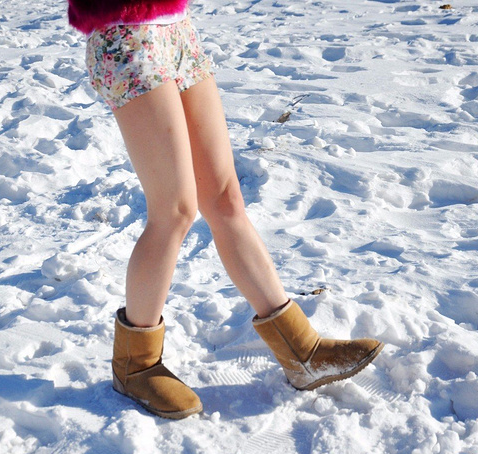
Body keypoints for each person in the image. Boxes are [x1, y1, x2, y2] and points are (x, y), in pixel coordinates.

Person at [68, 0, 384, 419]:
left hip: (176, 28)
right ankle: (135, 365)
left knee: (225, 198)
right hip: (126, 33)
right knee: (174, 210)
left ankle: (301, 351)